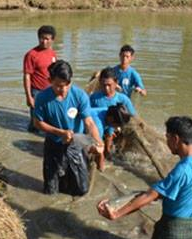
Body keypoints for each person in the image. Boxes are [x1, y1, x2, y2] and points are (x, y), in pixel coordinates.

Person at [97, 116, 192, 239]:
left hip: (174, 235)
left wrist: (116, 213)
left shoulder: (182, 170)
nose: (167, 142)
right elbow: (180, 191)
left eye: (167, 138)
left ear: (176, 139)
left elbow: (150, 196)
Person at [33, 60, 103, 195]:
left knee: (81, 189)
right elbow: (38, 123)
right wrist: (60, 133)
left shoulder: (79, 95)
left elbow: (89, 122)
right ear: (50, 80)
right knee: (51, 191)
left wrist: (98, 142)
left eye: (67, 85)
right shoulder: (42, 97)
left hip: (75, 145)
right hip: (53, 145)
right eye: (59, 86)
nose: (64, 90)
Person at [90, 67, 137, 168]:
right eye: (103, 85)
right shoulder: (94, 98)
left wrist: (119, 128)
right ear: (99, 83)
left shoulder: (123, 99)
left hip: (116, 129)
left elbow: (132, 118)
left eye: (109, 85)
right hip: (99, 128)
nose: (106, 88)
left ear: (116, 83)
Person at [22, 25, 57, 133]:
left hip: (51, 90)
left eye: (47, 39)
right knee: (35, 123)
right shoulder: (31, 55)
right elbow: (27, 76)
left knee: (51, 119)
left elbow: (55, 72)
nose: (44, 41)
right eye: (41, 38)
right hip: (36, 91)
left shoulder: (52, 53)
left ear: (52, 40)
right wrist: (29, 97)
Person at [85, 103, 133, 171]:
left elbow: (109, 134)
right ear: (111, 119)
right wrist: (101, 169)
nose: (117, 127)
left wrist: (107, 150)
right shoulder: (98, 126)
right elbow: (99, 151)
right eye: (117, 125)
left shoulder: (108, 112)